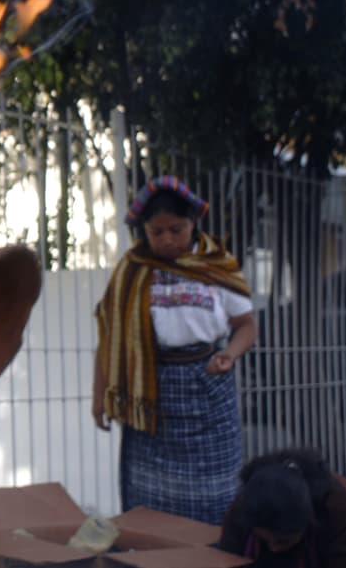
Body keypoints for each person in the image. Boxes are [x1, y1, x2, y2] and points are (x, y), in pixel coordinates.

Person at [91, 176, 258, 525]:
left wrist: (231, 354)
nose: (167, 239)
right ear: (145, 232)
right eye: (156, 231)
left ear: (193, 224)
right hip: (150, 396)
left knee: (214, 499)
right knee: (150, 507)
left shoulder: (217, 264)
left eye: (176, 229)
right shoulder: (132, 271)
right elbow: (110, 338)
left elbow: (246, 324)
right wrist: (99, 396)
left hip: (208, 386)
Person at [219, 448, 346, 567]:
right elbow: (228, 557)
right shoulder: (247, 503)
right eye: (265, 539)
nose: (274, 547)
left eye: (282, 540)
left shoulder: (340, 507)